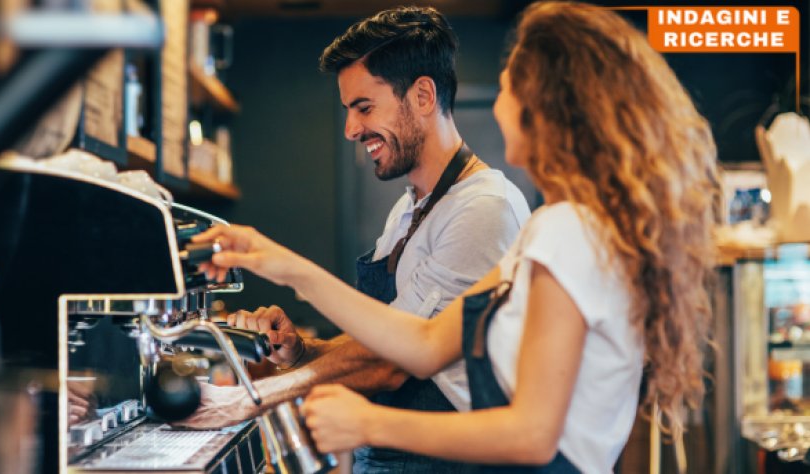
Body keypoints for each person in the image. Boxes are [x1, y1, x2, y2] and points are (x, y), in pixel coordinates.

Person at [191, 2, 721, 472]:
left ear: (550, 107)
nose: (495, 103)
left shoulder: (565, 230)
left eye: (509, 86)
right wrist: (277, 263)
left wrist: (364, 424)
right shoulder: (552, 228)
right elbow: (421, 344)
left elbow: (534, 435)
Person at [179, 6, 531, 473]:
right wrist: (301, 351)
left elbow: (394, 363)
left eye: (364, 108)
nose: (351, 129)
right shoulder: (409, 209)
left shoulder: (484, 208)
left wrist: (250, 398)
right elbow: (383, 338)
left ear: (423, 95)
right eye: (349, 110)